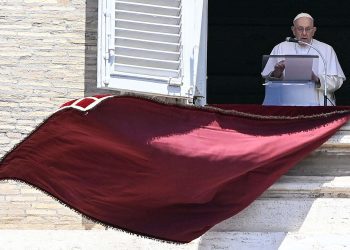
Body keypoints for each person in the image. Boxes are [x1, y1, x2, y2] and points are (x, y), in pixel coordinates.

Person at [262, 12, 346, 106]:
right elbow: (268, 81)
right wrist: (277, 73)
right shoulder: (280, 48)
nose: (304, 33)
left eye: (308, 29)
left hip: (317, 107)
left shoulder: (326, 49)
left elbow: (337, 81)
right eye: (300, 29)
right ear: (293, 30)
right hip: (286, 106)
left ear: (314, 30)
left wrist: (317, 79)